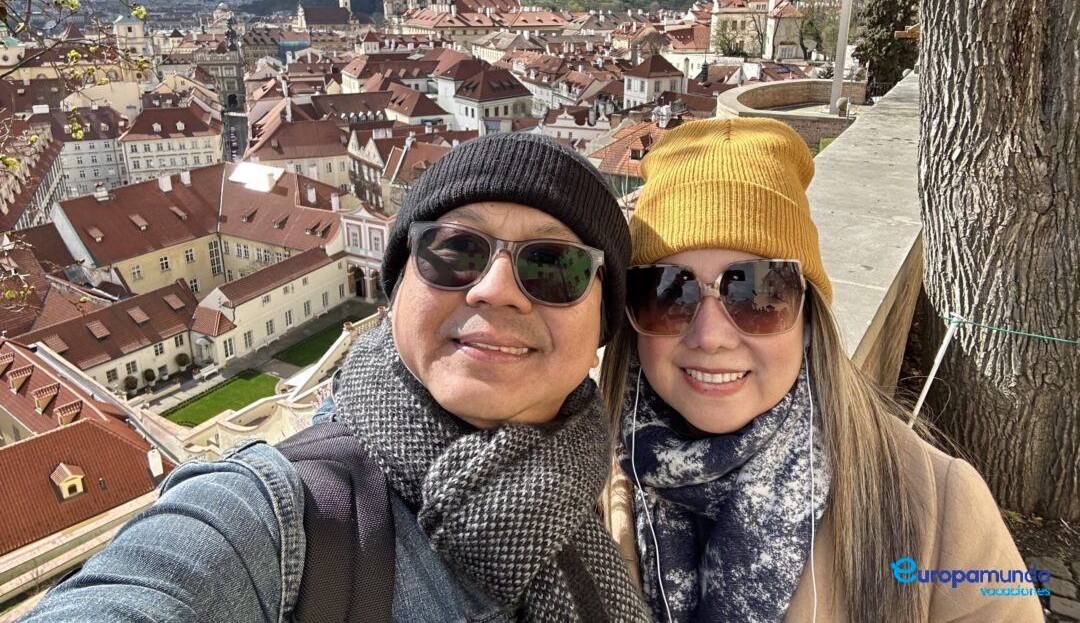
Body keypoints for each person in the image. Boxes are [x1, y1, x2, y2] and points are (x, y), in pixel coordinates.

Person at [24, 132, 650, 622]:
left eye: (555, 267)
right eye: (455, 251)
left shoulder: (593, 491)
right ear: (398, 287)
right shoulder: (275, 520)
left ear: (602, 324)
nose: (494, 290)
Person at [599, 118, 1042, 623]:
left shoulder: (940, 506)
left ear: (808, 319)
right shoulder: (569, 481)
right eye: (668, 292)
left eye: (758, 292)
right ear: (632, 319)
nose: (711, 336)